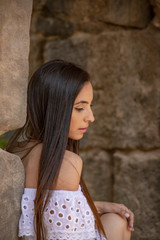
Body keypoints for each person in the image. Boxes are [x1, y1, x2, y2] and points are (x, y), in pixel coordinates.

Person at [6, 59, 134, 240]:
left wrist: (99, 206)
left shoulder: (18, 150)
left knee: (117, 220)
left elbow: (47, 210)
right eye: (80, 108)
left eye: (90, 106)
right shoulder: (66, 163)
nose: (91, 117)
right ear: (54, 109)